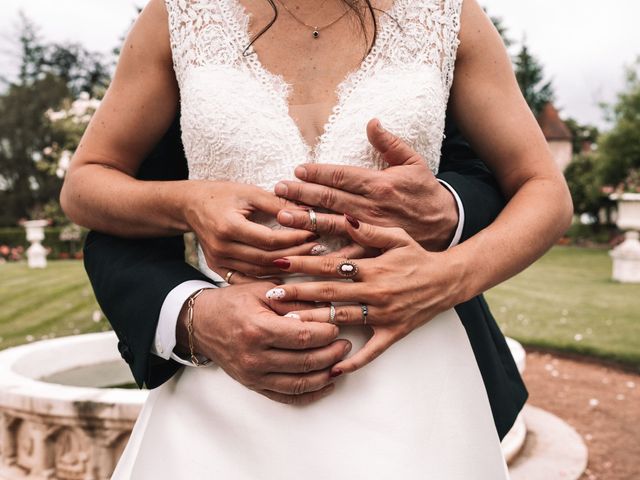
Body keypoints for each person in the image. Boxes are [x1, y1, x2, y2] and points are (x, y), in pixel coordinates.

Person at [61, 0, 572, 478]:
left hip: (414, 372)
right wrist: (189, 204)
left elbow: (545, 190)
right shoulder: (181, 14)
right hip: (232, 375)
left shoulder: (444, 13)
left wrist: (443, 279)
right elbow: (85, 184)